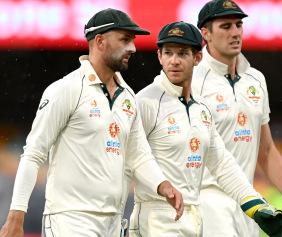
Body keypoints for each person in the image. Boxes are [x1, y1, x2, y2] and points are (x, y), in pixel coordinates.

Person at [0, 8, 184, 237]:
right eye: (125, 40)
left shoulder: (128, 97)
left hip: (114, 222)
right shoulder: (66, 89)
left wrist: (162, 184)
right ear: (100, 41)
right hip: (70, 220)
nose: (133, 48)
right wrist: (16, 216)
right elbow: (34, 153)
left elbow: (139, 154)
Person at [128, 21, 282, 237]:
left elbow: (222, 163)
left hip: (194, 216)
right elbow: (130, 157)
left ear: (197, 58)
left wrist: (256, 206)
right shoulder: (145, 102)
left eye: (183, 53)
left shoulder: (201, 109)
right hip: (157, 216)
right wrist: (160, 185)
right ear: (159, 56)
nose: (174, 61)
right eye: (168, 53)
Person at [193, 0, 282, 236]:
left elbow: (265, 150)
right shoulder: (191, 80)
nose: (235, 33)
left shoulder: (255, 79)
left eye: (238, 25)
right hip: (207, 201)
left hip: (248, 204)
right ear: (206, 34)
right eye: (225, 26)